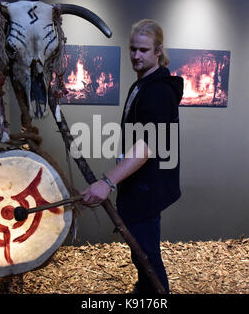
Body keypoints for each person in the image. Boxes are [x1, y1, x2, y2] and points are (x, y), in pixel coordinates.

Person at [81, 19, 183, 294]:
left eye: (143, 50)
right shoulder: (142, 85)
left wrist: (107, 182)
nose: (136, 56)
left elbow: (148, 147)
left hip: (147, 187)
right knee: (140, 253)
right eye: (132, 49)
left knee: (146, 253)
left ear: (158, 50)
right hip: (136, 184)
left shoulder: (159, 91)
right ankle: (144, 291)